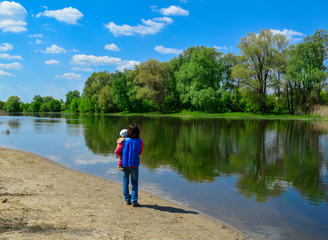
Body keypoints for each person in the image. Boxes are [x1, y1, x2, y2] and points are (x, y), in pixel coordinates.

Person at [115, 123, 143, 207]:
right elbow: (140, 152)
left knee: (125, 182)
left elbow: (117, 152)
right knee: (134, 183)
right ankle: (134, 201)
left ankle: (127, 200)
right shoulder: (140, 141)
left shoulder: (124, 140)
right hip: (134, 165)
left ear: (129, 131)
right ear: (138, 131)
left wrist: (122, 154)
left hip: (125, 164)